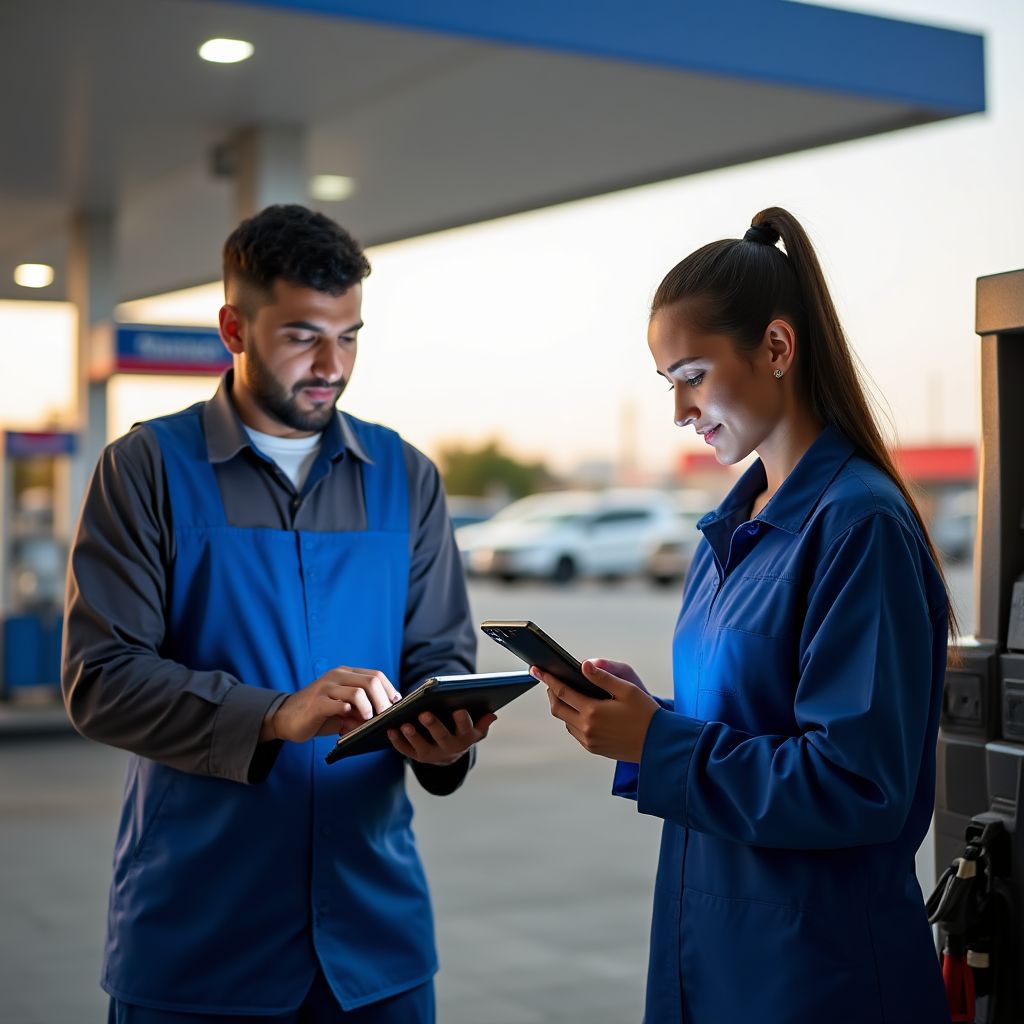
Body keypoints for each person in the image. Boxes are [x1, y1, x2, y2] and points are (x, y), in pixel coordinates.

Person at [62, 204, 493, 1023]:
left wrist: (446, 739)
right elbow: (100, 677)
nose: (332, 363)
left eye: (351, 335)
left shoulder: (406, 475)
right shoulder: (146, 468)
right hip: (198, 941)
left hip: (377, 948)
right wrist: (275, 715)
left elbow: (441, 658)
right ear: (234, 326)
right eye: (302, 335)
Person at [531, 207, 955, 1023]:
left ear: (777, 347)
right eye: (669, 385)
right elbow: (746, 727)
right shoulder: (728, 532)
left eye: (692, 375)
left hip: (816, 976)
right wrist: (644, 717)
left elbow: (855, 782)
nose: (680, 410)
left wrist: (658, 743)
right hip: (708, 955)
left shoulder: (858, 526)